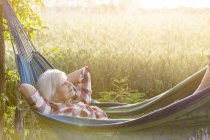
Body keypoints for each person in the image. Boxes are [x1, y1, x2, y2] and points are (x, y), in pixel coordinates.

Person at [20, 66, 108, 120]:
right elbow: (25, 87)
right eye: (63, 84)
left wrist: (60, 80)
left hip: (111, 129)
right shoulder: (51, 113)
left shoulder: (80, 101)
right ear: (53, 96)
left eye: (67, 81)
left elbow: (84, 73)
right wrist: (50, 88)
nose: (70, 84)